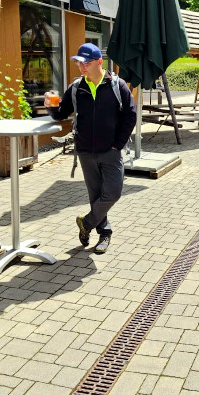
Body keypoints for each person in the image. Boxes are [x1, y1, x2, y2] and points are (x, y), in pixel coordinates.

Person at [47, 43, 136, 254]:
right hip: (85, 151)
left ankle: (86, 223)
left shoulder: (117, 86)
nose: (82, 67)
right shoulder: (77, 87)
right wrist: (51, 106)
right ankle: (104, 234)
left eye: (86, 63)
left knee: (113, 193)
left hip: (110, 151)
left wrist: (118, 144)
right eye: (79, 63)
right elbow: (61, 113)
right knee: (95, 195)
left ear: (99, 62)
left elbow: (130, 115)